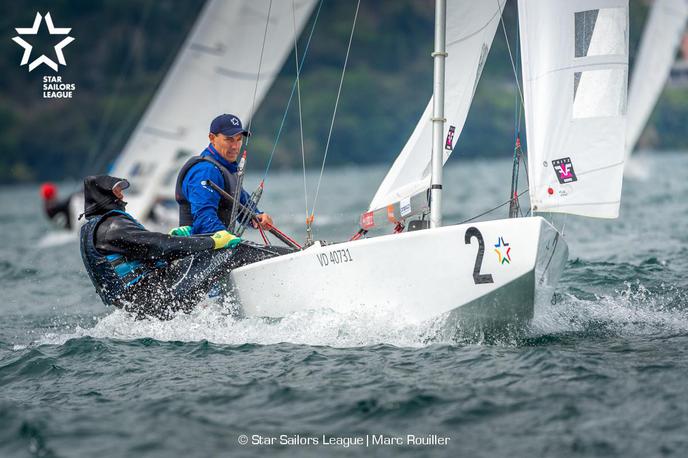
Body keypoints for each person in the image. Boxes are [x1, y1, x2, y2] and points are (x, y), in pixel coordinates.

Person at [79, 175, 244, 319]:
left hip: (138, 305)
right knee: (230, 251)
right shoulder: (112, 227)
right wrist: (213, 242)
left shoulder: (93, 229)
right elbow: (161, 247)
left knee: (194, 256)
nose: (122, 195)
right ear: (103, 195)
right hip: (157, 298)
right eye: (116, 191)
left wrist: (176, 237)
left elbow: (148, 247)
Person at [175, 113, 274, 235]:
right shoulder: (205, 170)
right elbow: (204, 218)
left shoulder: (227, 170)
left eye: (239, 140)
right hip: (198, 249)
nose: (235, 146)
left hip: (220, 247)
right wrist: (227, 239)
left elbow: (242, 204)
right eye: (229, 139)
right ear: (212, 138)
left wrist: (258, 216)